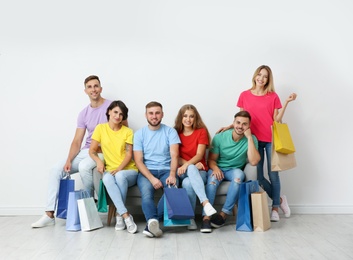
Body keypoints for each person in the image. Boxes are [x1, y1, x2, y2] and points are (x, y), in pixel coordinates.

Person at [31, 75, 125, 228]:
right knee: (56, 170)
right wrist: (68, 160)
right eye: (90, 87)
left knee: (84, 167)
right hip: (87, 150)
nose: (93, 89)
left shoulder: (112, 107)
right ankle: (49, 213)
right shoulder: (83, 113)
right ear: (85, 91)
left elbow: (123, 130)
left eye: (96, 86)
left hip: (105, 151)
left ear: (100, 88)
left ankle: (89, 205)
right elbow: (77, 141)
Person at [218, 65, 297, 222]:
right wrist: (230, 126)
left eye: (265, 76)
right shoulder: (244, 95)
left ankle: (275, 207)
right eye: (259, 75)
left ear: (269, 79)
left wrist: (287, 102)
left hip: (270, 139)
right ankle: (280, 200)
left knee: (274, 174)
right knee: (258, 177)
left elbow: (276, 119)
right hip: (253, 140)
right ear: (255, 76)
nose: (261, 78)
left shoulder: (273, 96)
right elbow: (241, 117)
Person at [201, 111, 260, 233]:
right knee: (212, 182)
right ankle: (206, 217)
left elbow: (254, 162)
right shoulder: (220, 137)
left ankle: (223, 215)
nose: (240, 126)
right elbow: (211, 160)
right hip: (218, 168)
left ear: (249, 126)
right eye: (238, 122)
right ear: (233, 123)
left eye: (244, 124)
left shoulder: (252, 139)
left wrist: (249, 138)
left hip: (234, 170)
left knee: (239, 176)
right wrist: (216, 169)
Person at [89, 100, 138, 234]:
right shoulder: (100, 128)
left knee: (120, 176)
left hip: (129, 170)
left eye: (121, 114)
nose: (117, 116)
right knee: (107, 179)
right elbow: (92, 150)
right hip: (111, 170)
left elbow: (129, 155)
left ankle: (120, 214)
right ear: (109, 111)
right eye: (115, 112)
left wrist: (120, 168)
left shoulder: (128, 131)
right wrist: (99, 162)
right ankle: (124, 215)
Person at [133, 101, 180, 238]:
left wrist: (172, 174)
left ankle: (151, 223)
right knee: (147, 194)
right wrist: (152, 178)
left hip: (167, 169)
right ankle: (153, 223)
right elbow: (138, 161)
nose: (154, 116)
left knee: (172, 190)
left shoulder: (170, 132)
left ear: (162, 114)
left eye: (157, 113)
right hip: (147, 171)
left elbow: (174, 155)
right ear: (146, 115)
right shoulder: (139, 134)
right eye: (151, 113)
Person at [174, 104, 217, 231]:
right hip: (182, 170)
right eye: (185, 116)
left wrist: (189, 165)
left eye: (191, 116)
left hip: (200, 170)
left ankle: (190, 218)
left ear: (195, 118)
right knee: (191, 169)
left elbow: (199, 155)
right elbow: (175, 156)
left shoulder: (201, 132)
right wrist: (189, 165)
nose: (188, 119)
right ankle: (205, 203)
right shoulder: (175, 132)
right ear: (180, 118)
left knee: (188, 183)